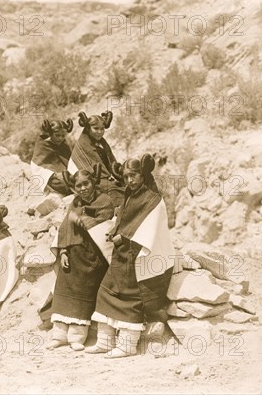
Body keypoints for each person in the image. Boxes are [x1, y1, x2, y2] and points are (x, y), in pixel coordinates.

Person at [86, 154, 175, 358]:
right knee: (105, 292)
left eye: (133, 176)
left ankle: (127, 346)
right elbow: (124, 219)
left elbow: (149, 228)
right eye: (126, 177)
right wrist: (115, 232)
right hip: (122, 255)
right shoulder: (130, 195)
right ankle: (104, 342)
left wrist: (124, 237)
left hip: (138, 257)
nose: (129, 180)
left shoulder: (153, 199)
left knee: (130, 298)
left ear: (142, 175)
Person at [47, 164, 116, 351]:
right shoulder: (76, 203)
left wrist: (82, 220)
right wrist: (62, 252)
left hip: (93, 256)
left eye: (86, 184)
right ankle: (59, 335)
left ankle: (77, 337)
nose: (83, 188)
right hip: (72, 254)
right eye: (78, 186)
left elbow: (104, 222)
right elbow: (66, 228)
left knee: (83, 293)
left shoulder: (104, 200)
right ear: (74, 188)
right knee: (64, 289)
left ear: (93, 182)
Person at [68, 111, 125, 207]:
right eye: (96, 128)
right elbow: (90, 173)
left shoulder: (102, 142)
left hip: (103, 176)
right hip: (86, 179)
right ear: (87, 128)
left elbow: (110, 161)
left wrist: (118, 173)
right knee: (111, 190)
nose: (100, 132)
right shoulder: (83, 144)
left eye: (102, 129)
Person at [30, 119, 74, 195]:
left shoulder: (64, 145)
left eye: (63, 135)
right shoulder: (43, 144)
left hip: (64, 173)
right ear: (51, 134)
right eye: (57, 135)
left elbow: (69, 161)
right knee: (56, 181)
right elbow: (38, 165)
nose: (60, 138)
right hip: (46, 173)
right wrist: (54, 174)